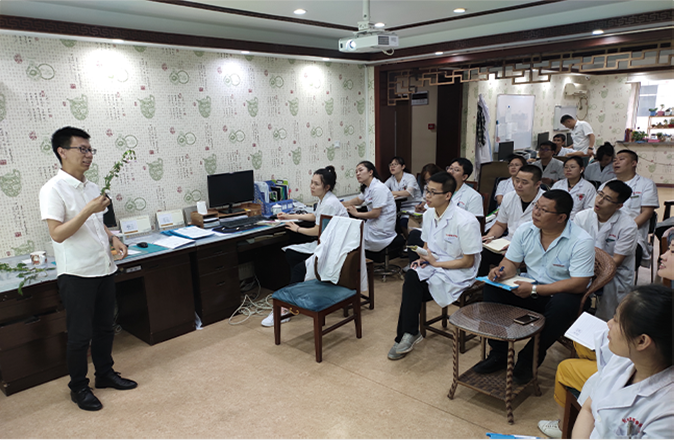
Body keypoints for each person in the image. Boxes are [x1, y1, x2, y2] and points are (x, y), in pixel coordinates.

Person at [39, 127, 137, 411]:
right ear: (62, 152)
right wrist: (86, 210)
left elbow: (97, 223)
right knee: (80, 336)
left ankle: (104, 374)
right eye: (81, 149)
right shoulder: (52, 189)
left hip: (103, 267)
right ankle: (79, 387)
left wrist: (113, 237)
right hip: (77, 273)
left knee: (105, 328)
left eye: (90, 149)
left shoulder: (92, 187)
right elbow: (57, 233)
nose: (88, 155)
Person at [473, 190, 595, 384]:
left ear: (561, 217)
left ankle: (529, 359)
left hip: (560, 293)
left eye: (543, 210)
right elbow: (511, 262)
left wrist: (536, 290)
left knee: (565, 304)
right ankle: (498, 353)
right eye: (536, 207)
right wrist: (501, 271)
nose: (535, 212)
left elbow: (579, 283)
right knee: (492, 288)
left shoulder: (581, 241)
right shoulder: (525, 230)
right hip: (528, 287)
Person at [539, 285, 673, 439]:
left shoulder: (666, 416)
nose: (609, 323)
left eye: (616, 320)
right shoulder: (625, 360)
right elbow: (589, 409)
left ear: (642, 341)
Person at [388, 172, 481, 360]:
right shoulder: (429, 213)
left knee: (412, 290)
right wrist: (424, 257)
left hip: (459, 270)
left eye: (432, 192)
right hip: (435, 263)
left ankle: (406, 334)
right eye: (426, 191)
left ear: (447, 195)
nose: (427, 196)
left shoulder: (466, 221)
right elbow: (427, 244)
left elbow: (468, 261)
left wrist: (436, 263)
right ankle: (408, 333)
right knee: (412, 276)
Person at [261, 166, 348, 327]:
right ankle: (300, 293)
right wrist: (289, 216)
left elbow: (317, 230)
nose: (312, 186)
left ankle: (286, 308)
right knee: (291, 254)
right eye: (311, 182)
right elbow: (315, 216)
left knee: (299, 269)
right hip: (327, 243)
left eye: (316, 184)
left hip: (334, 249)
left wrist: (297, 228)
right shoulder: (325, 199)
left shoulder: (329, 203)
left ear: (327, 187)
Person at [574, 180, 638, 320]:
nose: (599, 200)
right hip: (583, 267)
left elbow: (617, 260)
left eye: (607, 199)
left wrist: (593, 273)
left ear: (619, 206)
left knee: (609, 318)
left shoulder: (628, 226)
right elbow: (573, 248)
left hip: (615, 273)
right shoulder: (581, 217)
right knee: (572, 301)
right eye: (600, 194)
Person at [479, 165, 545, 276]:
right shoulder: (509, 197)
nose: (518, 185)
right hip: (507, 243)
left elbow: (547, 234)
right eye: (516, 180)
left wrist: (519, 247)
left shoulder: (546, 201)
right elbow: (500, 224)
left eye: (524, 182)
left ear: (537, 184)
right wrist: (490, 236)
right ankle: (484, 282)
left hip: (534, 247)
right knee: (482, 252)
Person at [600, 149, 659, 266]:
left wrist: (626, 230)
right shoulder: (606, 185)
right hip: (604, 231)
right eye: (615, 160)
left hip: (633, 233)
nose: (616, 162)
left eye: (621, 159)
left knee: (627, 253)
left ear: (633, 163)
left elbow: (647, 213)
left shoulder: (646, 184)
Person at [342, 161, 397, 253]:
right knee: (348, 233)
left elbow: (375, 214)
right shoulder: (368, 187)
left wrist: (356, 214)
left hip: (381, 230)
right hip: (373, 224)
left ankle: (359, 261)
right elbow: (358, 200)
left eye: (360, 170)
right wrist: (343, 204)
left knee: (349, 236)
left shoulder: (378, 188)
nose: (358, 174)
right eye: (356, 172)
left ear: (370, 172)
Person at [551, 156, 596, 220]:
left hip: (578, 221)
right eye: (566, 167)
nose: (568, 170)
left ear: (581, 169)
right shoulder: (557, 185)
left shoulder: (588, 187)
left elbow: (589, 210)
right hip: (556, 219)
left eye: (572, 167)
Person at [384, 156, 421, 231]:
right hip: (402, 208)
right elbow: (382, 189)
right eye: (391, 165)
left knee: (404, 223)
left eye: (395, 164)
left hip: (415, 207)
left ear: (403, 167)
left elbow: (408, 192)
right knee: (397, 222)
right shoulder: (391, 179)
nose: (392, 167)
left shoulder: (410, 177)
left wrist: (392, 192)